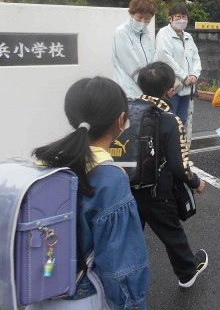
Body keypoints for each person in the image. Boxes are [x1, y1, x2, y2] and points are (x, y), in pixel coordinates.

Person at [29, 77, 149, 309]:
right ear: (121, 120)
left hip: (39, 290)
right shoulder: (109, 179)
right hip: (84, 293)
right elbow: (121, 265)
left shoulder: (47, 163)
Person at [131, 61, 208, 287]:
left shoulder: (126, 109)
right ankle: (187, 272)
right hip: (157, 190)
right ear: (170, 91)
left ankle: (127, 277)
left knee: (130, 236)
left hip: (127, 186)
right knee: (171, 233)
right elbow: (179, 165)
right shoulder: (168, 119)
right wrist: (196, 182)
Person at [155, 2, 202, 124]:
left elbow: (196, 57)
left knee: (182, 120)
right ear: (170, 19)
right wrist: (184, 76)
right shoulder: (164, 34)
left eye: (184, 17)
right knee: (169, 119)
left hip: (187, 87)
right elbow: (165, 58)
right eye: (178, 17)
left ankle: (180, 138)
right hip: (172, 87)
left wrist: (194, 74)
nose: (182, 20)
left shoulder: (188, 36)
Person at [112, 0, 157, 99]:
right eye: (139, 17)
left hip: (145, 91)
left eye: (147, 18)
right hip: (128, 91)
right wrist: (148, 84)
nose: (143, 21)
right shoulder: (122, 32)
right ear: (132, 14)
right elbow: (130, 64)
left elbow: (153, 57)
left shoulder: (145, 34)